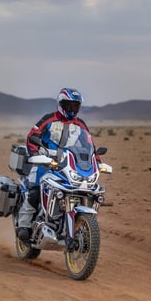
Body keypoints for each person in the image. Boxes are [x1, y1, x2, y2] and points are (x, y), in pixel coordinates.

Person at [17, 87, 100, 241]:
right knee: (34, 191)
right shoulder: (49, 120)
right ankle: (24, 225)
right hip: (46, 163)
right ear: (61, 104)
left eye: (75, 106)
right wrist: (35, 154)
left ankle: (67, 221)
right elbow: (32, 136)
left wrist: (97, 161)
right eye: (69, 105)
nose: (72, 109)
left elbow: (89, 144)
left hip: (67, 165)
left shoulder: (80, 125)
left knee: (82, 189)